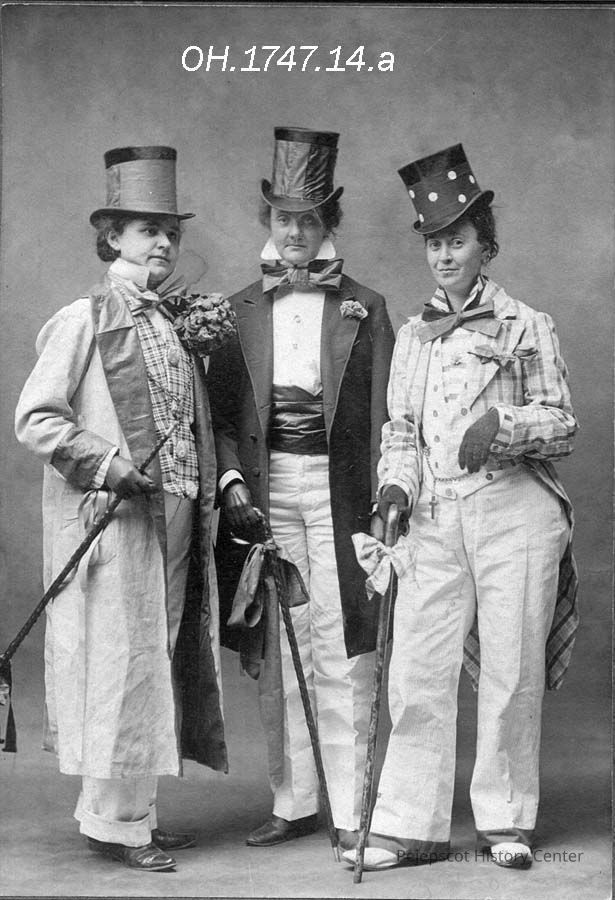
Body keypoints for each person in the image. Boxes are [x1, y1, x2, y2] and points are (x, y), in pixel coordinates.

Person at [343, 144, 579, 872]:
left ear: (486, 245)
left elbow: (562, 422)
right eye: (434, 242)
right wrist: (394, 488)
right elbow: (401, 432)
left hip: (514, 514)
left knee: (511, 669)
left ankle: (506, 818)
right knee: (417, 668)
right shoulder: (414, 337)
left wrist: (502, 427)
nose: (444, 255)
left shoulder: (526, 324)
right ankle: (408, 824)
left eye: (458, 240)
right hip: (434, 517)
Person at [14, 146, 227, 873]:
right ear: (112, 237)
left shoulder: (172, 321)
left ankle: (134, 815)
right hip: (113, 525)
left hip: (173, 516)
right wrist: (107, 464)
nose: (163, 242)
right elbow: (37, 419)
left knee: (152, 660)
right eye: (146, 230)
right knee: (118, 664)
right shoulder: (85, 317)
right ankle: (118, 826)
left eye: (170, 231)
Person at [208, 126, 395, 850]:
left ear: (327, 224)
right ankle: (294, 801)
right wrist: (231, 482)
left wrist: (382, 502)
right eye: (284, 218)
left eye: (308, 220)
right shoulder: (238, 310)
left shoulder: (366, 307)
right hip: (267, 486)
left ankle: (351, 809)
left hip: (338, 489)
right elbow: (222, 418)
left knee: (343, 642)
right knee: (282, 644)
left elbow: (386, 416)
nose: (294, 232)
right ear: (269, 221)